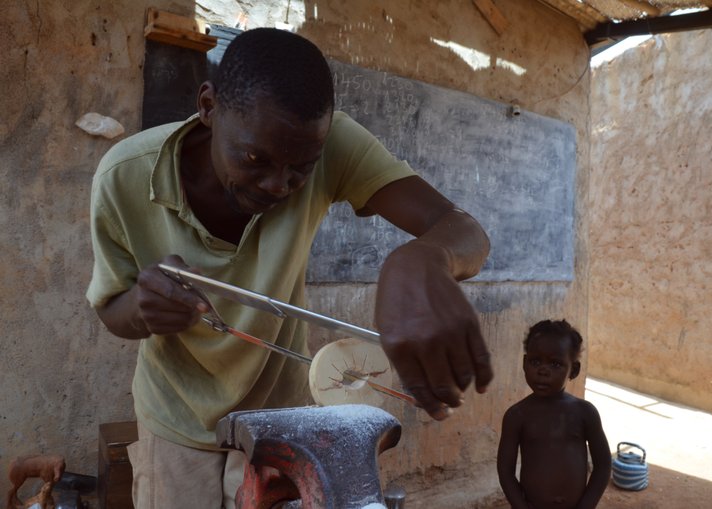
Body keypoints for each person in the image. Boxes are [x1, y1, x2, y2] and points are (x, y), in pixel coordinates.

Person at [87, 27, 493, 508]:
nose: (279, 184)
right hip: (174, 423)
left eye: (302, 166)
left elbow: (463, 230)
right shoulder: (124, 176)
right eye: (254, 158)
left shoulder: (333, 141)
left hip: (280, 420)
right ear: (208, 107)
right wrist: (142, 307)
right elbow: (112, 311)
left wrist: (424, 258)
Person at [497, 320, 611, 509]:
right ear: (525, 364)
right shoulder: (517, 416)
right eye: (535, 361)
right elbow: (505, 471)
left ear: (573, 370)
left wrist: (586, 506)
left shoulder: (585, 413)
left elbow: (603, 465)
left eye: (556, 364)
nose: (543, 371)